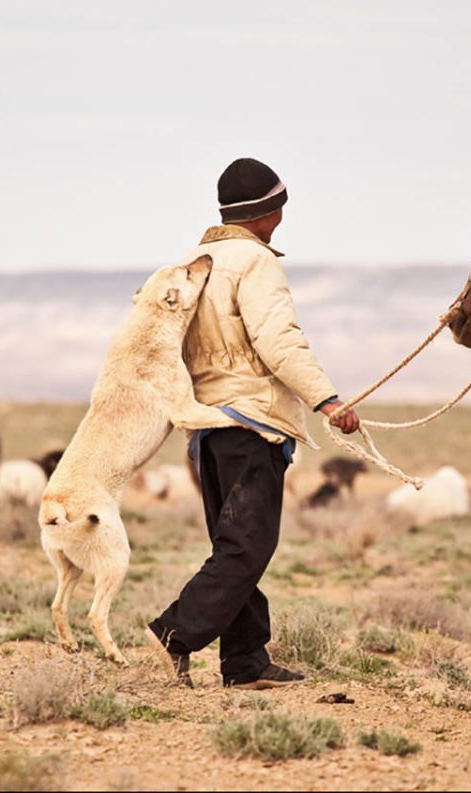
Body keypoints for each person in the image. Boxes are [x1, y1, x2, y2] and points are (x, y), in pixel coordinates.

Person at [145, 157, 360, 689]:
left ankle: (244, 664)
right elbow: (278, 341)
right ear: (271, 212)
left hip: (208, 427)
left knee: (235, 544)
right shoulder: (255, 263)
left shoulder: (194, 263)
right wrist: (327, 401)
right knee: (248, 546)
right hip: (250, 424)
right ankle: (175, 633)